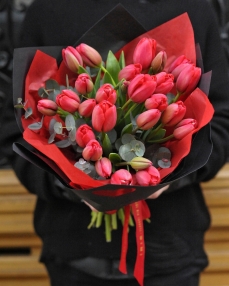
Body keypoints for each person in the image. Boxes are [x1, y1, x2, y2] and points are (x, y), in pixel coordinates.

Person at [1, 0, 229, 285]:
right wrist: (75, 186)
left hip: (171, 251)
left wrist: (169, 178)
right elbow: (16, 124)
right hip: (73, 252)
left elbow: (220, 122)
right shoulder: (48, 10)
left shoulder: (192, 7)